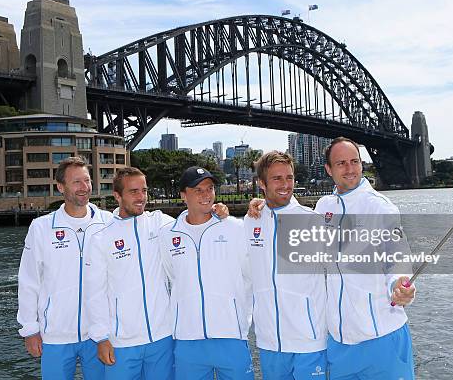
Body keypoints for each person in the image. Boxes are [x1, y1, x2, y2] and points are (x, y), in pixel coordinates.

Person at [85, 167, 230, 380]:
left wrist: (217, 209)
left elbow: (192, 222)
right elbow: (94, 292)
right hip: (122, 341)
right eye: (133, 191)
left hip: (163, 337)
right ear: (117, 195)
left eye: (144, 190)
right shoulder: (100, 238)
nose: (141, 197)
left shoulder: (160, 223)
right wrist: (101, 337)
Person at [315, 137, 416, 380]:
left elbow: (398, 258)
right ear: (329, 169)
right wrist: (262, 208)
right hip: (339, 343)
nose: (349, 169)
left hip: (382, 338)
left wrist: (400, 286)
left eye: (354, 162)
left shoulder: (380, 207)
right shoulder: (323, 207)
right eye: (341, 163)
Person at [17, 156, 113, 379]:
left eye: (87, 180)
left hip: (100, 334)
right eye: (76, 182)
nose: (84, 187)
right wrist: (30, 329)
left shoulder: (109, 222)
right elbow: (29, 280)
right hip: (55, 335)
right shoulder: (41, 227)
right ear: (60, 187)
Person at [158, 166, 253, 380]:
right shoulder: (167, 234)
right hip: (187, 337)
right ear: (183, 195)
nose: (206, 195)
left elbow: (248, 277)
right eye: (198, 190)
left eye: (209, 189)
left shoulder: (234, 228)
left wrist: (241, 320)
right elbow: (173, 276)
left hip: (231, 335)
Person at [244, 151, 328, 379]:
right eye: (277, 178)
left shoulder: (312, 220)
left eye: (289, 177)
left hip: (309, 341)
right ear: (262, 183)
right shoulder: (251, 221)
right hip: (269, 340)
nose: (285, 184)